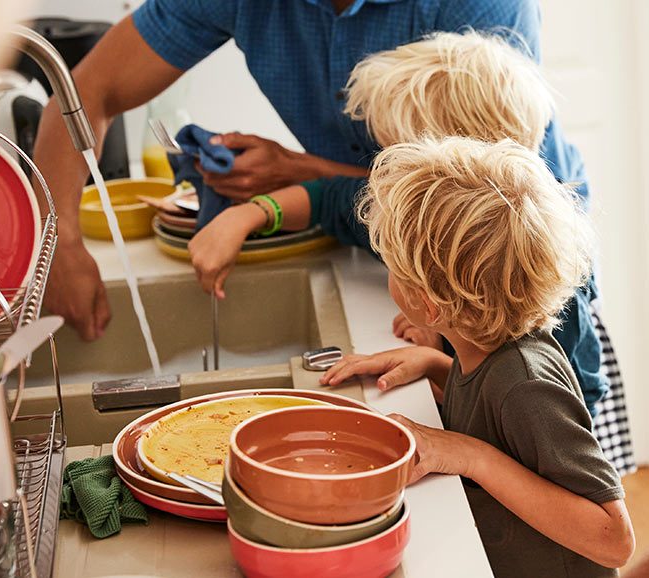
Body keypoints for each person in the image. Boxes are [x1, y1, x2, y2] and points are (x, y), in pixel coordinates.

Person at [32, 0, 585, 343]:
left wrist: (297, 169)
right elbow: (87, 92)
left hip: (509, 264)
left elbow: (484, 200)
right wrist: (60, 244)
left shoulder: (486, 5)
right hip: (409, 273)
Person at [188, 29, 607, 417]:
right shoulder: (427, 218)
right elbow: (331, 200)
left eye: (397, 154)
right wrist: (249, 214)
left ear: (461, 173)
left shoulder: (538, 280)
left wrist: (442, 347)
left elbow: (559, 416)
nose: (384, 176)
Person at [320, 137, 635, 578]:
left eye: (391, 264)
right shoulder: (489, 354)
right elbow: (501, 420)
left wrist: (471, 457)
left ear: (431, 307)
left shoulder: (526, 383)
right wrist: (434, 367)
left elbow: (614, 540)